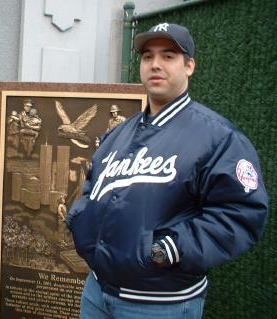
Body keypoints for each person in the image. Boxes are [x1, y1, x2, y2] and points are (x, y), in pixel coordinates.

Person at [67, 22, 268, 319]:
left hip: (160, 305)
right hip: (96, 293)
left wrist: (169, 249)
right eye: (148, 56)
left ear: (190, 66)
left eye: (168, 56)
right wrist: (79, 220)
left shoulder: (219, 138)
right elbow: (92, 189)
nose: (155, 64)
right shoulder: (119, 134)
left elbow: (241, 213)